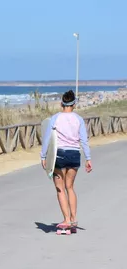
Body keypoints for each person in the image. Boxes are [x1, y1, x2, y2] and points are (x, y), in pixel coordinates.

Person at [40, 90, 92, 232]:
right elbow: (84, 140)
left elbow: (47, 139)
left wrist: (43, 156)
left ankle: (67, 219)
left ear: (61, 103)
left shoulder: (55, 118)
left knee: (60, 188)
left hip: (60, 155)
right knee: (70, 187)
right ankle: (73, 219)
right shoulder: (79, 119)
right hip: (75, 154)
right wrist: (88, 158)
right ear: (74, 104)